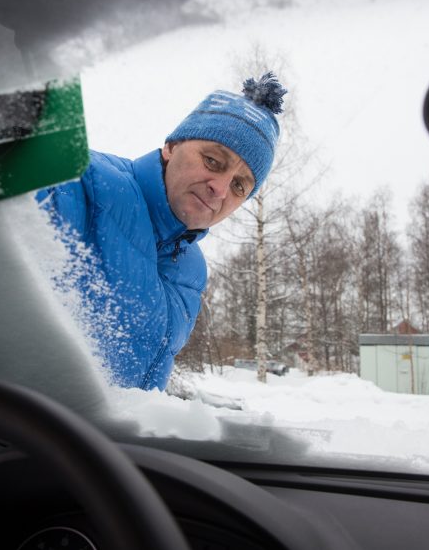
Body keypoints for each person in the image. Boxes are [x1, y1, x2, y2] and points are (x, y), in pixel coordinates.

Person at [36, 72, 287, 390]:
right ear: (171, 146)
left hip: (95, 438)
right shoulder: (83, 179)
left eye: (239, 185)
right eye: (212, 161)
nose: (221, 190)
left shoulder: (192, 271)